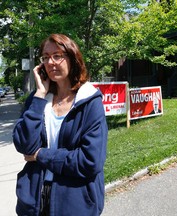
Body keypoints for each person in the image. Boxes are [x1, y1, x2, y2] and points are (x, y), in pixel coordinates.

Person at [13, 34, 108, 216]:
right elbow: (25, 144)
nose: (51, 62)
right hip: (34, 200)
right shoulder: (38, 99)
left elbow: (90, 161)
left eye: (57, 55)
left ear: (72, 58)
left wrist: (41, 155)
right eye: (46, 57)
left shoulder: (89, 101)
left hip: (73, 202)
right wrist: (40, 94)